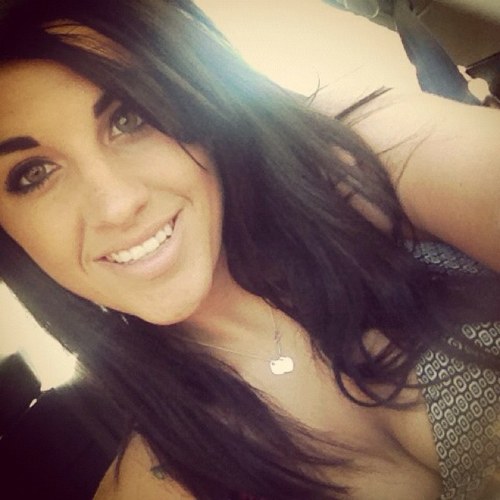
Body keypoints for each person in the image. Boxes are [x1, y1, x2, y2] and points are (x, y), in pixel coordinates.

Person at [0, 0, 498, 498]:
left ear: (192, 97)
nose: (117, 205)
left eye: (129, 117)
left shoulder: (360, 159)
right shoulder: (150, 487)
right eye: (33, 174)